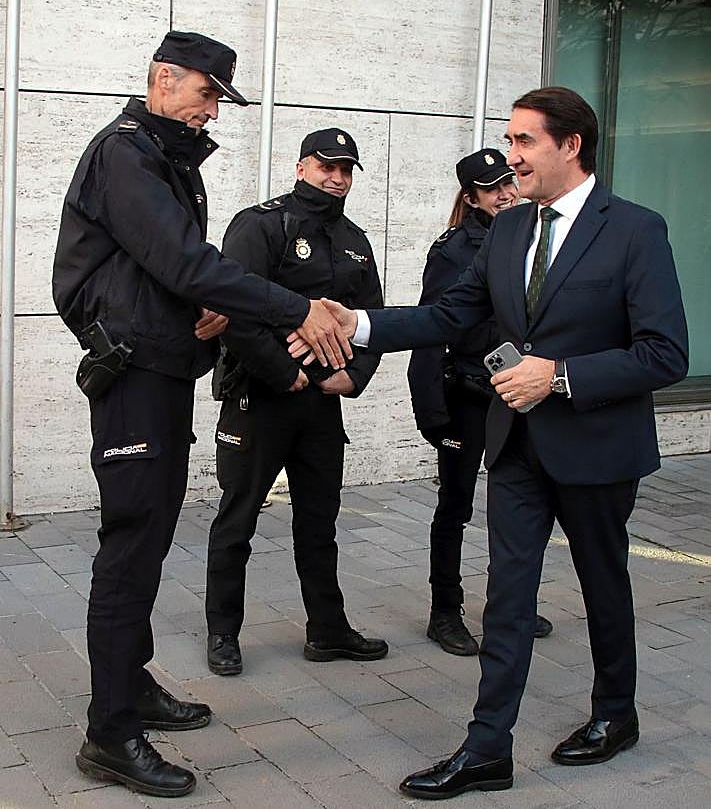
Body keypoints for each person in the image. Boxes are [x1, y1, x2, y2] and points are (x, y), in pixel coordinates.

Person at [298, 87, 689, 798]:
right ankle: (486, 749)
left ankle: (616, 714)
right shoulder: (507, 231)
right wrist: (359, 323)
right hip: (516, 446)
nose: (512, 158)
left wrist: (559, 376)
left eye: (523, 141)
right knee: (507, 596)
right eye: (509, 141)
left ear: (570, 145)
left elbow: (664, 354)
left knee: (603, 584)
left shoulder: (635, 229)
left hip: (598, 448)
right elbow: (449, 314)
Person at [52, 31, 351, 799]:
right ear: (163, 78)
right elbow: (183, 261)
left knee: (149, 540)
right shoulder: (126, 154)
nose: (212, 111)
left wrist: (199, 312)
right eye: (207, 93)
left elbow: (163, 271)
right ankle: (109, 733)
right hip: (133, 378)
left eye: (218, 98)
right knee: (130, 546)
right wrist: (295, 307)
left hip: (159, 369)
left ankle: (130, 683)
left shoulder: (160, 158)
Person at [205, 128, 388, 676]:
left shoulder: (354, 239)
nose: (337, 178)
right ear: (301, 166)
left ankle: (327, 630)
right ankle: (222, 633)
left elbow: (372, 318)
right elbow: (233, 310)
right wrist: (285, 374)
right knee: (237, 520)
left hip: (320, 406)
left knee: (319, 523)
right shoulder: (262, 225)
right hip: (259, 398)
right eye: (327, 166)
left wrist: (354, 376)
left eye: (346, 169)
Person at [407, 148, 552, 657]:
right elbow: (430, 327)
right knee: (456, 504)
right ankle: (444, 612)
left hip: (515, 393)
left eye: (509, 183)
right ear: (471, 198)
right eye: (492, 189)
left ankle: (510, 605)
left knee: (520, 505)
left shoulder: (530, 236)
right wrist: (432, 410)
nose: (506, 194)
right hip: (467, 396)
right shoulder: (453, 251)